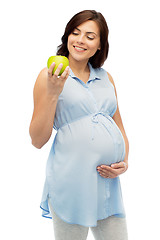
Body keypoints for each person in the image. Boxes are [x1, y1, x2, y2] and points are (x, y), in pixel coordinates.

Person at [29, 10, 129, 240]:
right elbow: (37, 140)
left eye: (90, 36)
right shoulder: (49, 75)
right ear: (67, 37)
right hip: (71, 183)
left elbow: (119, 126)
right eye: (75, 33)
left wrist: (124, 162)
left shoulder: (106, 78)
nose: (80, 40)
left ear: (100, 45)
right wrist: (53, 93)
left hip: (107, 185)